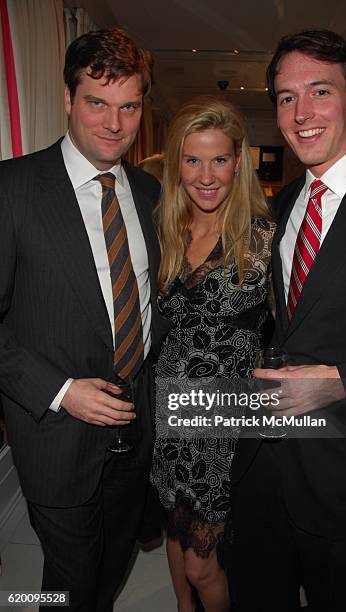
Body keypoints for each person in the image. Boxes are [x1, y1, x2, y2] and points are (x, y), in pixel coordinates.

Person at [231, 28, 346, 612]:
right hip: (265, 472)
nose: (301, 113)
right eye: (286, 97)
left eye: (320, 92)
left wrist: (344, 384)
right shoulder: (280, 207)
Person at [0, 27, 169, 611]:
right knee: (68, 581)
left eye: (128, 106)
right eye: (97, 102)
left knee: (112, 564)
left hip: (135, 430)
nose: (114, 124)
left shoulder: (149, 192)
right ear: (69, 97)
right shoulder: (11, 188)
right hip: (56, 436)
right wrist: (60, 390)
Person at [150, 96, 274, 612]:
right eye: (193, 159)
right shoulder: (166, 230)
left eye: (219, 159)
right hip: (168, 411)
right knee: (175, 534)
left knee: (205, 563)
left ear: (238, 162)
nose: (206, 175)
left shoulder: (264, 237)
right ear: (176, 162)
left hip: (222, 429)